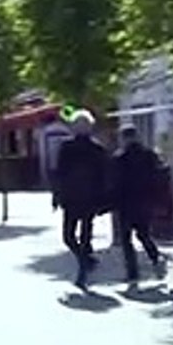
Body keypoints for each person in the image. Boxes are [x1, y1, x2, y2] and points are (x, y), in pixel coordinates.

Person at [54, 110, 110, 289]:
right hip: (90, 198)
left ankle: (84, 263)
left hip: (71, 197)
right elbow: (105, 176)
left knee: (68, 235)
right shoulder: (97, 149)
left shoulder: (67, 147)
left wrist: (56, 195)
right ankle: (85, 263)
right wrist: (104, 199)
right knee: (86, 233)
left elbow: (59, 174)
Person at [114, 123, 165, 283]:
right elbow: (158, 176)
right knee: (144, 234)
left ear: (123, 138)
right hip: (145, 200)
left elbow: (115, 182)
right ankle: (155, 257)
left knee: (126, 238)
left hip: (126, 202)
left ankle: (132, 273)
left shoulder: (120, 158)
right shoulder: (149, 155)